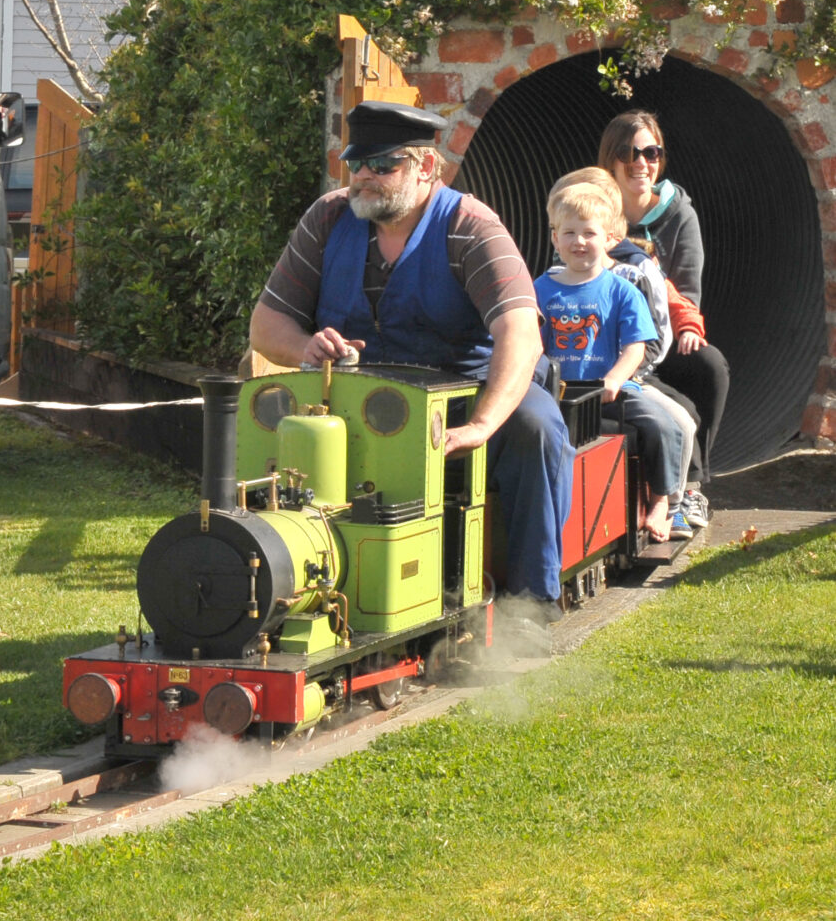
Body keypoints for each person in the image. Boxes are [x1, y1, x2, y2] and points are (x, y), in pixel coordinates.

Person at [250, 100, 574, 619]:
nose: (363, 178)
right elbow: (266, 326)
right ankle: (283, 586)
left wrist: (483, 426)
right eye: (357, 164)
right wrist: (305, 348)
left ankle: (532, 604)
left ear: (427, 168)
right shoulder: (328, 218)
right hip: (360, 399)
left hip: (465, 394)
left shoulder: (470, 225)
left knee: (536, 427)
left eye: (383, 165)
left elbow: (521, 332)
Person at [548, 167, 697, 538]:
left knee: (663, 424)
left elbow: (637, 344)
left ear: (610, 237)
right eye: (569, 233)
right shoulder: (541, 288)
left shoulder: (623, 288)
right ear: (555, 239)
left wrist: (616, 377)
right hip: (561, 392)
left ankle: (663, 502)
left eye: (589, 234)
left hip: (611, 387)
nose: (579, 242)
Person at [598, 110, 730, 525]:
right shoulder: (593, 211)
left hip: (662, 334)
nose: (641, 162)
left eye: (651, 152)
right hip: (609, 339)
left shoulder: (678, 216)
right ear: (611, 160)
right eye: (628, 152)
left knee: (710, 367)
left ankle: (691, 487)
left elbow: (685, 291)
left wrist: (688, 325)